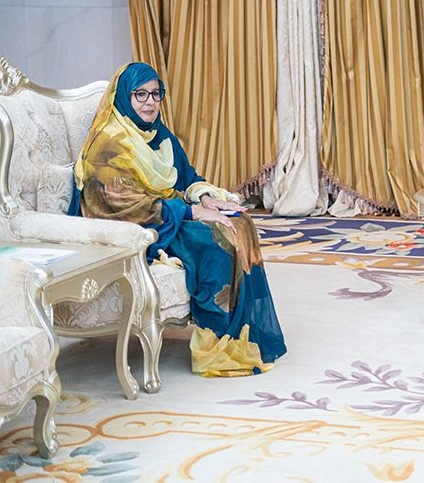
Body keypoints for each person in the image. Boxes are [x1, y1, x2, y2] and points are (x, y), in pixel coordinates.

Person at [69, 62, 286, 377]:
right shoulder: (108, 144)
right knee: (215, 241)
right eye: (140, 94)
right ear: (124, 97)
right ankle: (217, 345)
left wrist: (206, 197)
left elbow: (187, 177)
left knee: (238, 221)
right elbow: (116, 203)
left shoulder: (158, 135)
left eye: (155, 94)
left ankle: (241, 335)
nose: (150, 102)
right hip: (136, 226)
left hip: (165, 213)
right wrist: (191, 211)